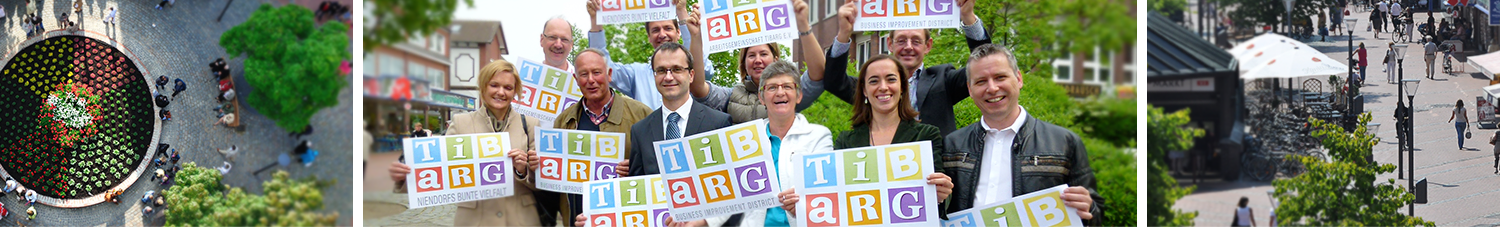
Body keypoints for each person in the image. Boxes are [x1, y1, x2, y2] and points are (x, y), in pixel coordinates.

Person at [940, 44, 1101, 224]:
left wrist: (1089, 208)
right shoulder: (952, 145)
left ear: (1018, 79)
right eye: (981, 81)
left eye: (1000, 77)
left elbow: (1095, 215)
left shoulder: (1064, 142)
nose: (992, 88)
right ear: (970, 90)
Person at [388, 59, 542, 226]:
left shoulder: (530, 124)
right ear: (483, 87)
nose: (501, 92)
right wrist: (405, 177)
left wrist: (522, 170)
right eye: (494, 85)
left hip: (520, 219)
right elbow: (442, 171)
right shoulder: (461, 122)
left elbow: (540, 183)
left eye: (508, 87)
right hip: (474, 220)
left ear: (515, 92)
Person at [823, 0, 990, 135]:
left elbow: (984, 67)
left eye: (916, 41)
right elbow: (834, 81)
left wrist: (968, 17)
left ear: (928, 46)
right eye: (901, 40)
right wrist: (844, 34)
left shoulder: (944, 79)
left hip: (936, 169)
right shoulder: (873, 86)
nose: (908, 47)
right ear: (890, 44)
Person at [621, 42, 733, 226]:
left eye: (676, 69)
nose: (668, 76)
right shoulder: (640, 131)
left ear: (691, 75)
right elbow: (637, 195)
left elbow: (730, 192)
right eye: (661, 70)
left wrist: (703, 221)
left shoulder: (718, 123)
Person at [545, 48, 655, 227]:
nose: (590, 80)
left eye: (596, 72)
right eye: (583, 74)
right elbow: (555, 186)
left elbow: (661, 172)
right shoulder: (563, 121)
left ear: (609, 74)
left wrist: (636, 170)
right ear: (575, 79)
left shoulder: (641, 114)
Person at [686, 0, 827, 123]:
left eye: (764, 54)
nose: (758, 60)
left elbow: (818, 74)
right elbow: (697, 88)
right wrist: (696, 36)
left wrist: (803, 26)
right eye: (751, 55)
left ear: (775, 59)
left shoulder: (788, 92)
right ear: (744, 64)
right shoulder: (731, 96)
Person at [583, 0, 714, 110]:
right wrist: (595, 20)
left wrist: (681, 11)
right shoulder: (636, 74)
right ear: (649, 37)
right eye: (656, 30)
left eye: (668, 28)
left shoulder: (692, 68)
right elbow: (602, 68)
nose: (662, 35)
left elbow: (703, 69)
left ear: (679, 32)